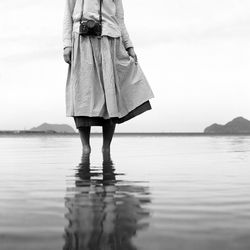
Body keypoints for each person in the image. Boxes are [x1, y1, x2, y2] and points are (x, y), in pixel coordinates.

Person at [63, 0, 155, 154]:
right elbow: (67, 14)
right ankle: (86, 148)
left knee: (109, 95)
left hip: (110, 41)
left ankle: (106, 149)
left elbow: (120, 20)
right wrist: (67, 44)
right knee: (82, 94)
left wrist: (129, 46)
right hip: (81, 39)